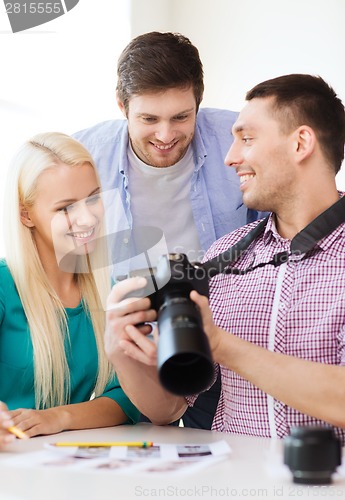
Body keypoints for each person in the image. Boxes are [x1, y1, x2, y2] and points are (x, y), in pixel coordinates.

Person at [103, 73, 345, 442]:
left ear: (301, 143)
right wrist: (121, 350)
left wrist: (222, 346)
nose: (230, 158)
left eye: (247, 139)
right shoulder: (222, 257)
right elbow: (169, 408)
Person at [73, 31, 266, 429]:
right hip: (130, 346)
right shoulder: (84, 157)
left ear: (198, 101)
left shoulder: (241, 141)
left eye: (181, 116)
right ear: (122, 105)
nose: (165, 136)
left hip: (223, 343)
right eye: (148, 119)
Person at [0, 132, 139, 440]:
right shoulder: (3, 287)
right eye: (65, 208)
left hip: (66, 468)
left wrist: (58, 417)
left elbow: (127, 398)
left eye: (93, 199)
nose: (87, 218)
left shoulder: (110, 292)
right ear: (26, 214)